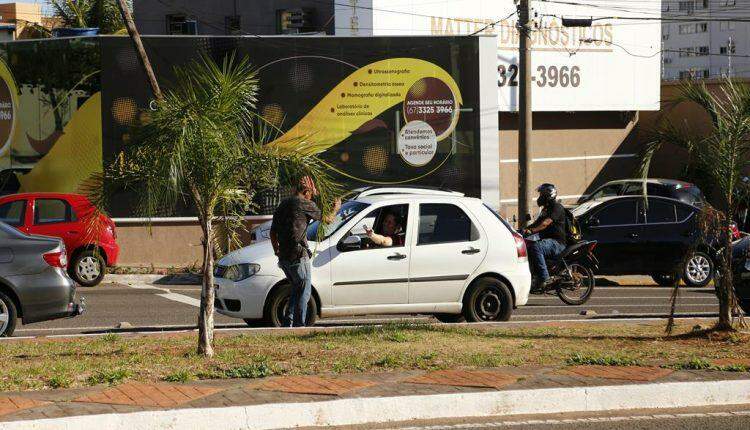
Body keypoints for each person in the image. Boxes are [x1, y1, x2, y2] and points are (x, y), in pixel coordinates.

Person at [270, 177, 340, 327]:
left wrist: (277, 250)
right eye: (311, 194)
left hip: (284, 257)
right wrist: (336, 208)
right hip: (298, 255)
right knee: (304, 292)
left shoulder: (283, 204)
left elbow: (272, 232)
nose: (312, 197)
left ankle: (287, 323)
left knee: (296, 289)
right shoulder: (304, 203)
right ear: (306, 191)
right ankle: (299, 325)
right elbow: (327, 219)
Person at [523, 183, 567, 289]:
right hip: (549, 240)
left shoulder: (557, 207)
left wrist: (532, 230)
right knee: (528, 246)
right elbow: (537, 223)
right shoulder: (545, 209)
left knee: (536, 247)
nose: (540, 197)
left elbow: (545, 223)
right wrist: (522, 230)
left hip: (557, 243)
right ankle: (536, 275)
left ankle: (545, 278)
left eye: (542, 194)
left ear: (549, 195)